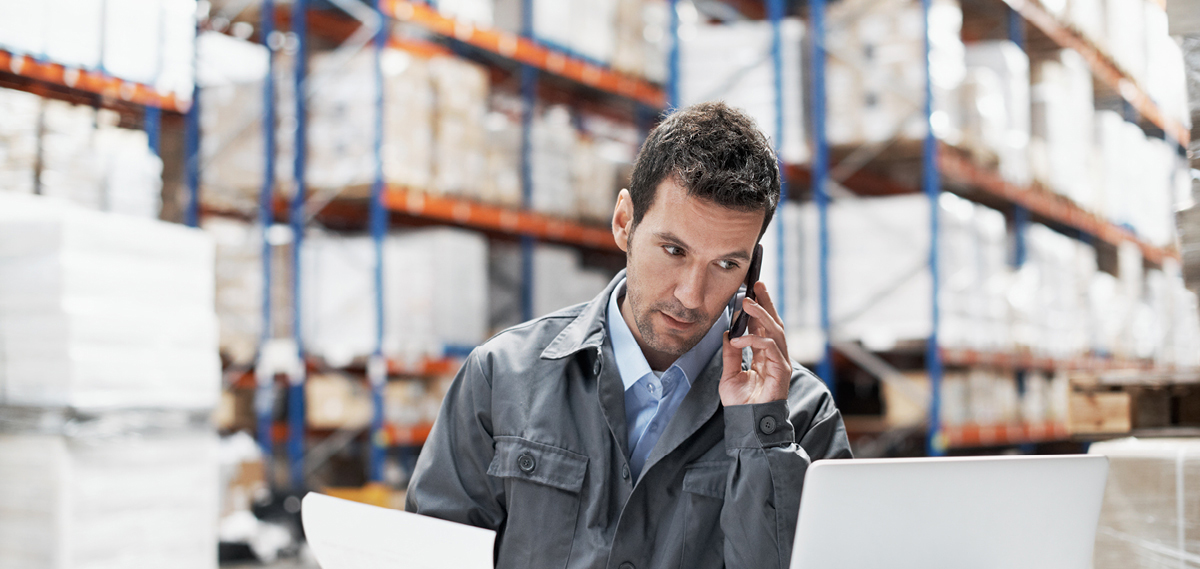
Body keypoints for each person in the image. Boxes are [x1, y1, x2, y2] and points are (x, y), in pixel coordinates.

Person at [405, 102, 852, 569]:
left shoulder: (802, 417)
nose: (691, 295)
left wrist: (760, 434)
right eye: (673, 250)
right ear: (624, 222)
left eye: (726, 264)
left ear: (752, 267)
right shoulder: (501, 378)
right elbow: (427, 555)